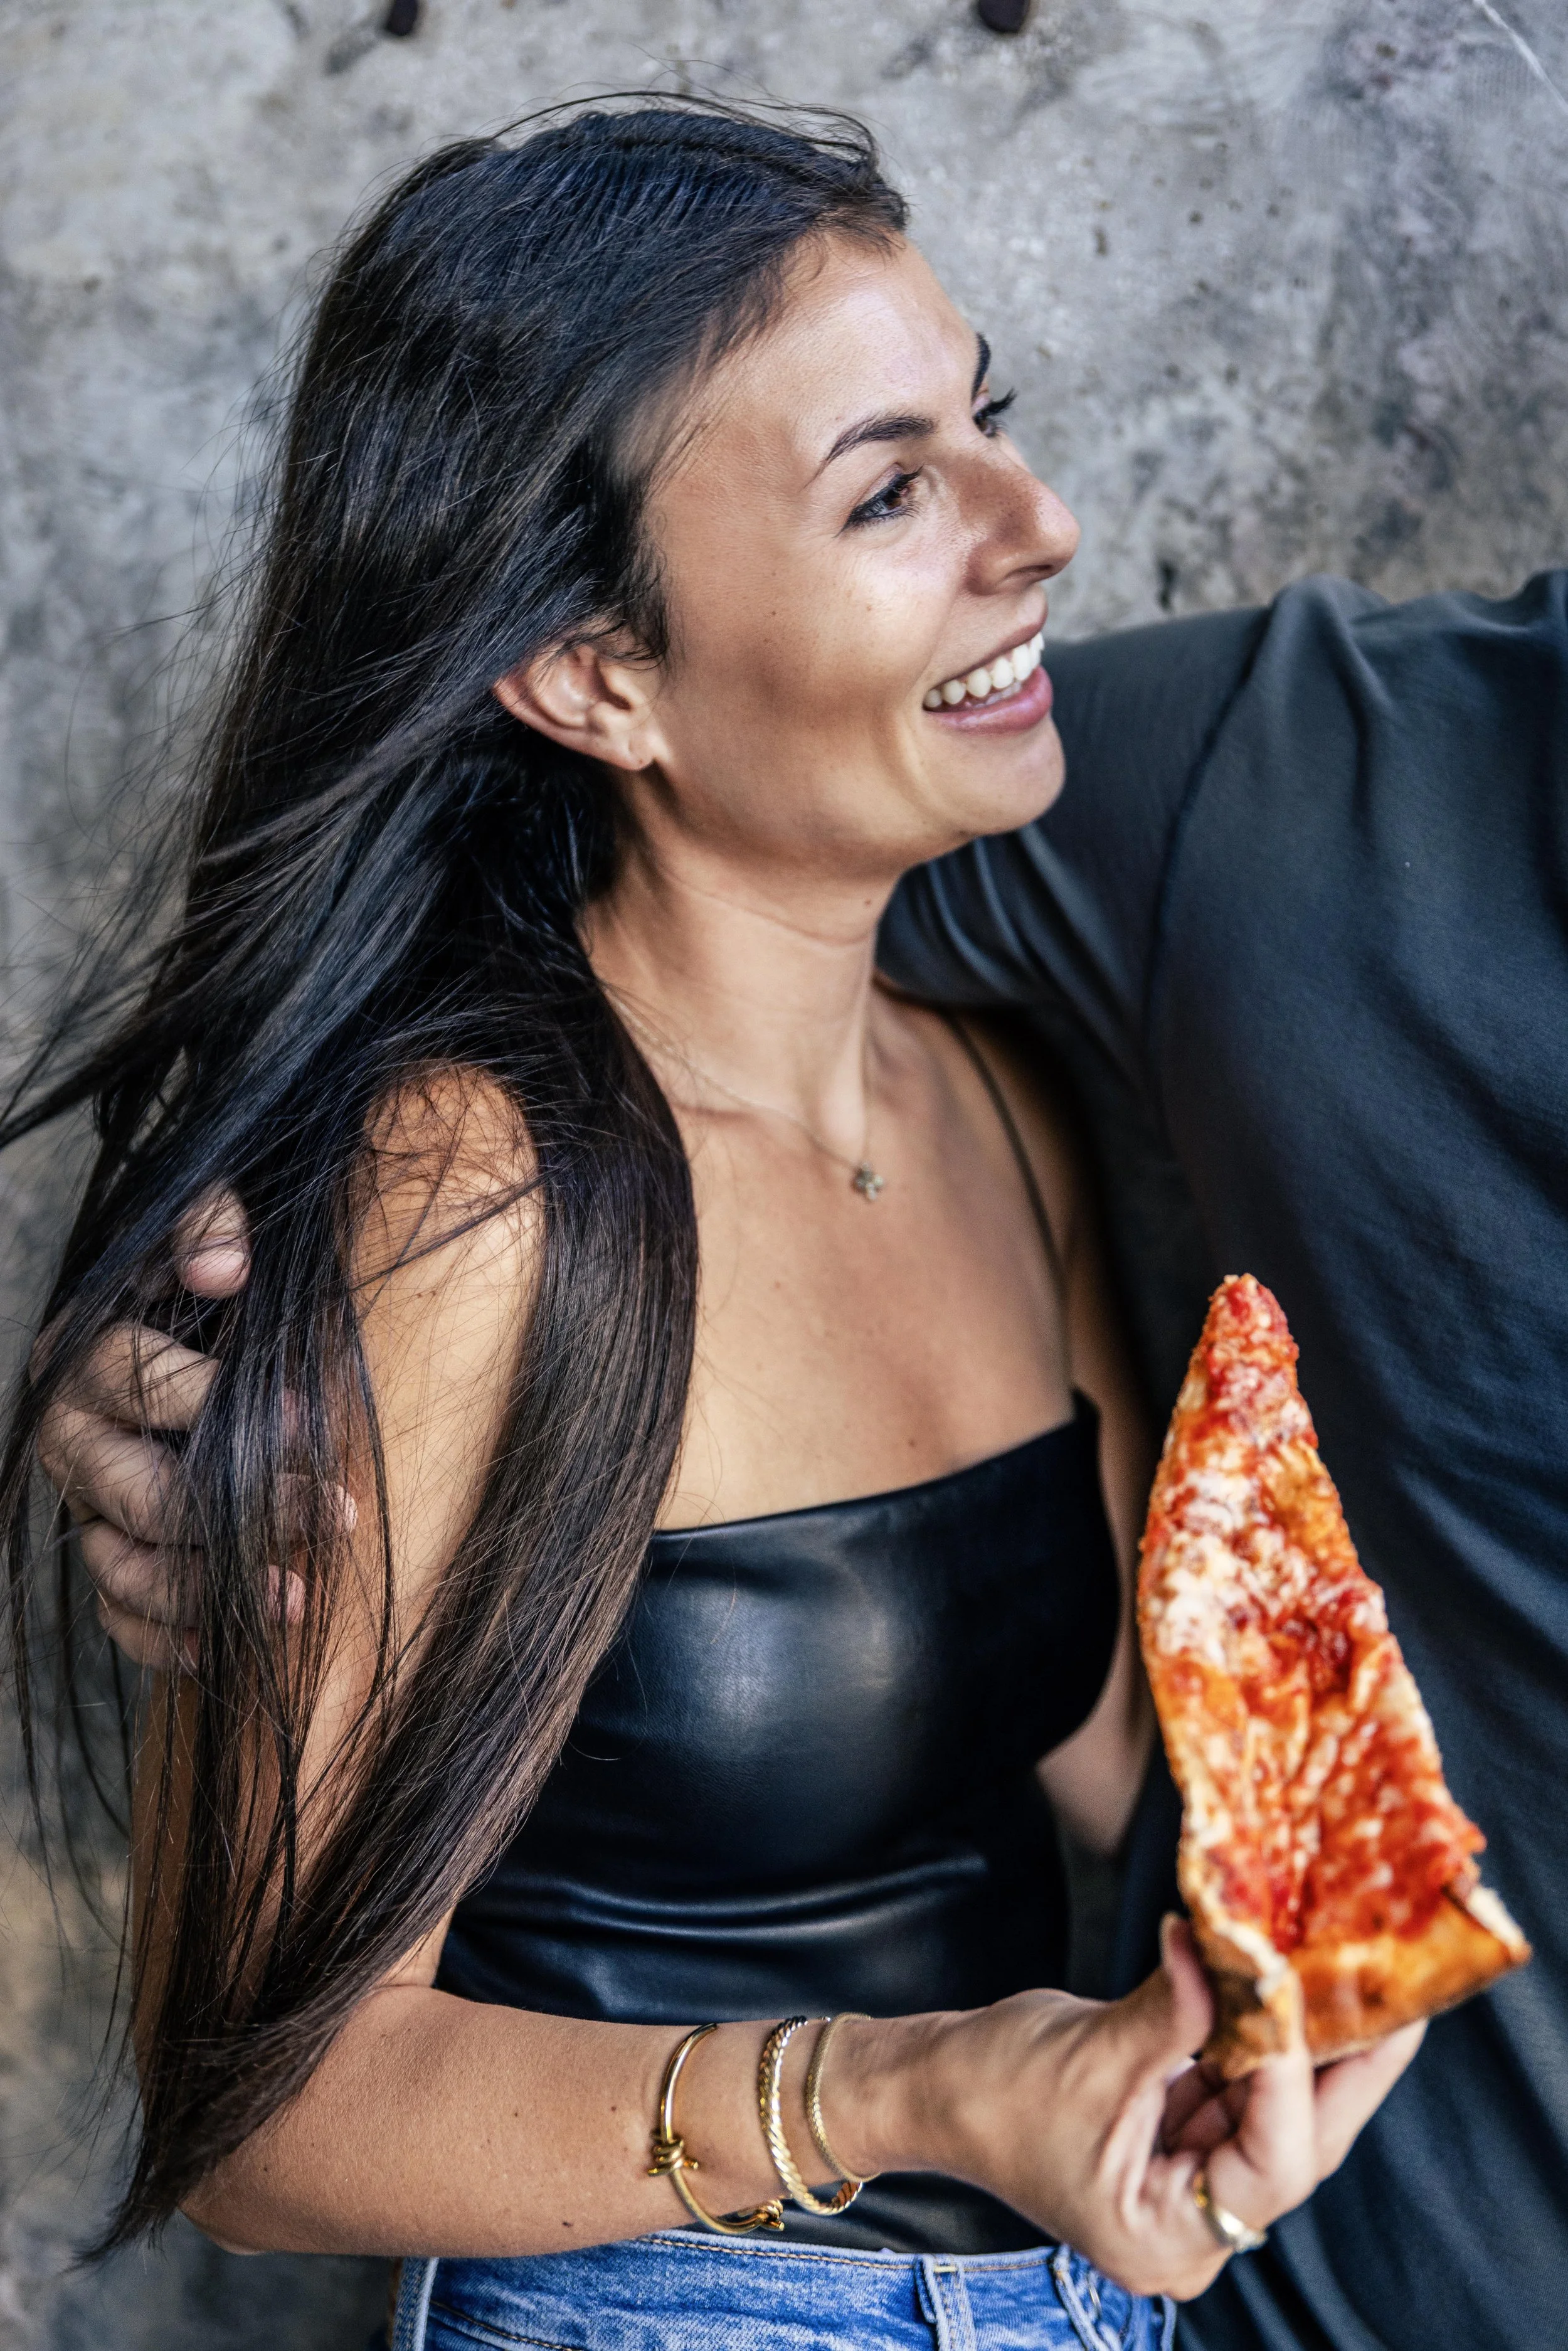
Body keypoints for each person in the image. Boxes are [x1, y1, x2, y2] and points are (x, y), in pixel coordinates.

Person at [4, 100, 1416, 2351]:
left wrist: (1331, 1932)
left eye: (994, 427)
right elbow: (260, 2116)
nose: (1039, 526)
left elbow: (1134, 1776)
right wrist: (925, 2086)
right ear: (594, 674)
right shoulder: (455, 1198)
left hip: (1092, 2305)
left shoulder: (990, 1107)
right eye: (888, 489)